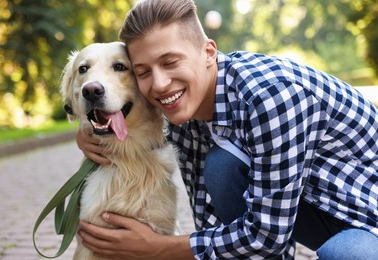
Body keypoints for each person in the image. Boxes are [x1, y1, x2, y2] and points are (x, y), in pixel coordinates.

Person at [75, 0, 378, 259]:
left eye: (170, 62)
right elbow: (208, 218)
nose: (160, 84)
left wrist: (160, 248)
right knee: (223, 165)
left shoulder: (271, 97)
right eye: (143, 72)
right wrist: (92, 130)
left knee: (345, 253)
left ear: (209, 52)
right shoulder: (183, 107)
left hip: (367, 221)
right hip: (313, 210)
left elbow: (265, 237)